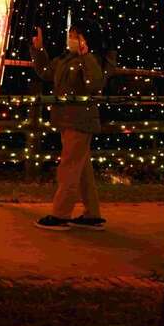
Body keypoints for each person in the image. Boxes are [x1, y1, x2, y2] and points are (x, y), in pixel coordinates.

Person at [30, 18, 113, 231]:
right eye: (70, 35)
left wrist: (86, 56)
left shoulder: (95, 59)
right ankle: (92, 215)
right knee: (82, 170)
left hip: (81, 121)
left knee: (69, 168)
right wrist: (39, 50)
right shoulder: (66, 58)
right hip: (66, 119)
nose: (71, 39)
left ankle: (60, 214)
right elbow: (46, 72)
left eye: (76, 36)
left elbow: (94, 84)